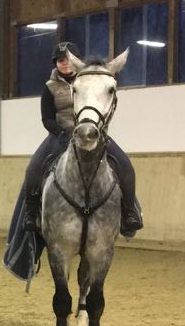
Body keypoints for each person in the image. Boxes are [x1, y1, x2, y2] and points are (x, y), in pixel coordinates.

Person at [21, 41, 143, 237]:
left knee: (125, 164)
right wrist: (61, 133)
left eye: (67, 59)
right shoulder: (50, 87)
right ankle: (31, 212)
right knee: (34, 167)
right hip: (60, 135)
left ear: (76, 61)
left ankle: (130, 212)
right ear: (56, 64)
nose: (64, 63)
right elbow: (47, 118)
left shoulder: (90, 81)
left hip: (93, 131)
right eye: (60, 60)